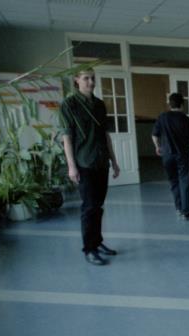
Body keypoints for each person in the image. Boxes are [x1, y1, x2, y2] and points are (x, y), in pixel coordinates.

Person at [60, 66, 121, 266]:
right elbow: (67, 138)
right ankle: (89, 249)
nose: (91, 82)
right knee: (89, 207)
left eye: (93, 78)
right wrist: (71, 166)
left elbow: (106, 136)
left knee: (98, 206)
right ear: (76, 80)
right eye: (86, 78)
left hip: (101, 161)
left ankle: (98, 242)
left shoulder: (100, 105)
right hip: (83, 163)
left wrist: (114, 161)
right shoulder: (69, 105)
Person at [152, 92, 189, 221]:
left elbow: (154, 135)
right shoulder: (186, 119)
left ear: (170, 104)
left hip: (167, 156)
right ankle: (186, 212)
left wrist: (157, 147)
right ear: (182, 104)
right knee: (184, 182)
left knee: (173, 182)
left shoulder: (162, 117)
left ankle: (178, 208)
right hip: (183, 155)